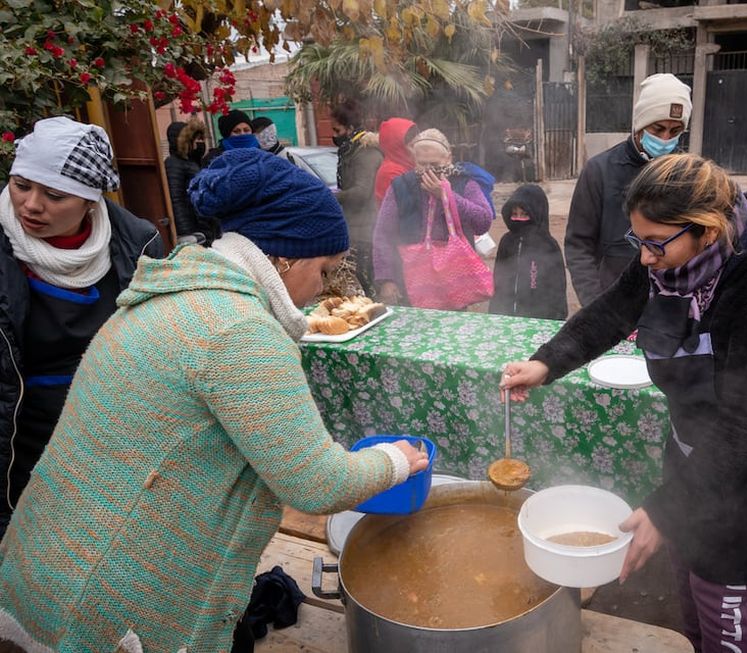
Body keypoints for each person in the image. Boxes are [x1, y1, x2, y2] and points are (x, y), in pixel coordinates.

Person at [0, 148, 428, 650]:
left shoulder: (171, 292)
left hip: (48, 561)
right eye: (327, 269)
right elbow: (317, 483)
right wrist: (396, 460)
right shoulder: (238, 330)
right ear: (288, 257)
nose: (322, 289)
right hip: (112, 598)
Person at [502, 154, 747, 653]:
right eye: (639, 241)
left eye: (655, 244)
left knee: (720, 586)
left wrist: (667, 506)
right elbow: (613, 310)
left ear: (708, 229)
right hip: (697, 445)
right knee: (685, 558)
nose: (644, 258)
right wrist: (547, 362)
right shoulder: (665, 263)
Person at [0, 116, 163, 539]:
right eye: (21, 185)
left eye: (55, 195)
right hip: (19, 438)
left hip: (109, 437)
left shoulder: (138, 245)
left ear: (91, 200)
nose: (31, 205)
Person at [565, 73, 692, 307]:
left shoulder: (689, 174)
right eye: (658, 128)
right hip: (612, 303)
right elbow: (578, 245)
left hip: (671, 307)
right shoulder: (599, 170)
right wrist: (596, 305)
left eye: (675, 131)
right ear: (640, 125)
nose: (665, 139)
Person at [373, 128, 494, 306]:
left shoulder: (464, 183)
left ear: (449, 158)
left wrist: (447, 196)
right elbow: (383, 233)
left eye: (436, 165)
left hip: (454, 281)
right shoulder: (401, 186)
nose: (429, 171)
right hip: (411, 280)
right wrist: (387, 279)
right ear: (414, 160)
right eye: (422, 164)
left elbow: (483, 221)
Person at [489, 184, 568, 320]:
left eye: (525, 214)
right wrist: (495, 312)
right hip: (506, 316)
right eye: (515, 214)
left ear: (537, 213)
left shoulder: (548, 245)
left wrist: (556, 320)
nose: (519, 218)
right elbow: (498, 280)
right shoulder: (506, 241)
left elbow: (558, 289)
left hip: (539, 319)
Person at [330, 99, 384, 297]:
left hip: (366, 229)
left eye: (337, 130)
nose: (334, 136)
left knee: (368, 282)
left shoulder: (365, 153)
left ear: (350, 128)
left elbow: (362, 192)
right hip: (355, 226)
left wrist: (334, 197)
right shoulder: (350, 151)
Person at [164, 118, 217, 244]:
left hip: (203, 227)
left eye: (201, 139)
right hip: (193, 231)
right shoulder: (174, 164)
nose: (199, 144)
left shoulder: (192, 163)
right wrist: (186, 232)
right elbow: (176, 199)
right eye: (196, 139)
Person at [375, 117, 419, 205]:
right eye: (412, 145)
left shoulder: (408, 164)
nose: (418, 149)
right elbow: (409, 207)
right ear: (397, 147)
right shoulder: (390, 172)